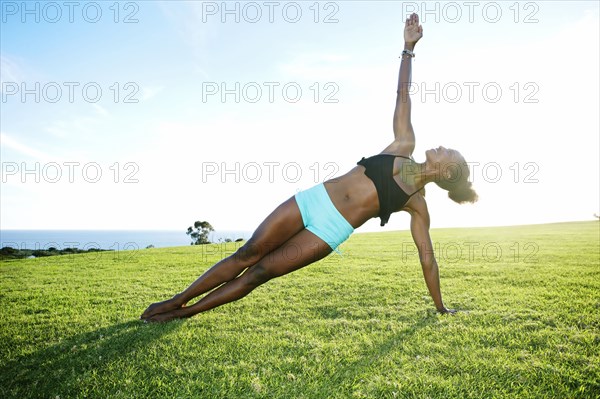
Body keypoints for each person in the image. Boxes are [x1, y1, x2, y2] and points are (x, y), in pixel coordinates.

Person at [141, 13, 477, 323]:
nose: (442, 146)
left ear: (446, 173)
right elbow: (403, 94)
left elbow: (427, 259)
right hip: (312, 201)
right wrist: (408, 48)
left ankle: (184, 314)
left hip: (327, 232)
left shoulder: (417, 205)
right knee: (247, 254)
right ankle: (178, 299)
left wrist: (440, 306)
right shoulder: (404, 146)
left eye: (448, 152)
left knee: (259, 274)